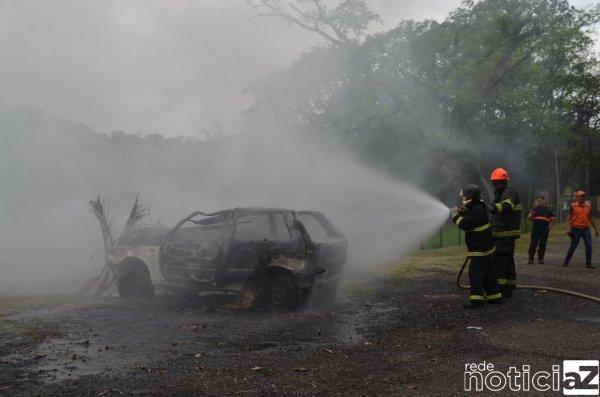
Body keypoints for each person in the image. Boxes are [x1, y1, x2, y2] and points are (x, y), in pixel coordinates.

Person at [451, 184, 502, 308]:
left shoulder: (478, 209)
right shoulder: (478, 206)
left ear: (472, 197)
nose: (464, 199)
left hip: (480, 248)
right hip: (485, 246)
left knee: (475, 273)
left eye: (465, 197)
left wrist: (455, 216)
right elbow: (472, 217)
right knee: (489, 272)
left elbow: (466, 224)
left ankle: (476, 300)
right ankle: (494, 296)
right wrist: (463, 212)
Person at [487, 168, 521, 297]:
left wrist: (492, 208)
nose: (495, 185)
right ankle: (509, 288)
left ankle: (499, 290)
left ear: (504, 181)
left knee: (499, 262)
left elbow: (507, 205)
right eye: (494, 182)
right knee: (507, 261)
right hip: (503, 234)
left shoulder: (508, 192)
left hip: (505, 234)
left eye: (498, 182)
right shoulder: (501, 192)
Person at [563, 191, 599, 268]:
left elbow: (591, 218)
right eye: (580, 196)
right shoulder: (572, 206)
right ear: (577, 197)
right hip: (575, 229)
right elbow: (568, 217)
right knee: (573, 246)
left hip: (586, 228)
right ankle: (566, 261)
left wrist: (596, 229)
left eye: (583, 196)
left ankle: (588, 263)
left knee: (589, 245)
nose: (582, 197)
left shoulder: (588, 206)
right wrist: (568, 228)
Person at [527, 195, 555, 264]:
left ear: (544, 201)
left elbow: (553, 220)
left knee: (542, 244)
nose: (539, 202)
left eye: (540, 201)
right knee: (533, 244)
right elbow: (529, 219)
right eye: (538, 201)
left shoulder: (549, 210)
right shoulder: (535, 209)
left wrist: (549, 228)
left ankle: (541, 258)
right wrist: (531, 214)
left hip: (544, 229)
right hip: (535, 229)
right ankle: (531, 258)